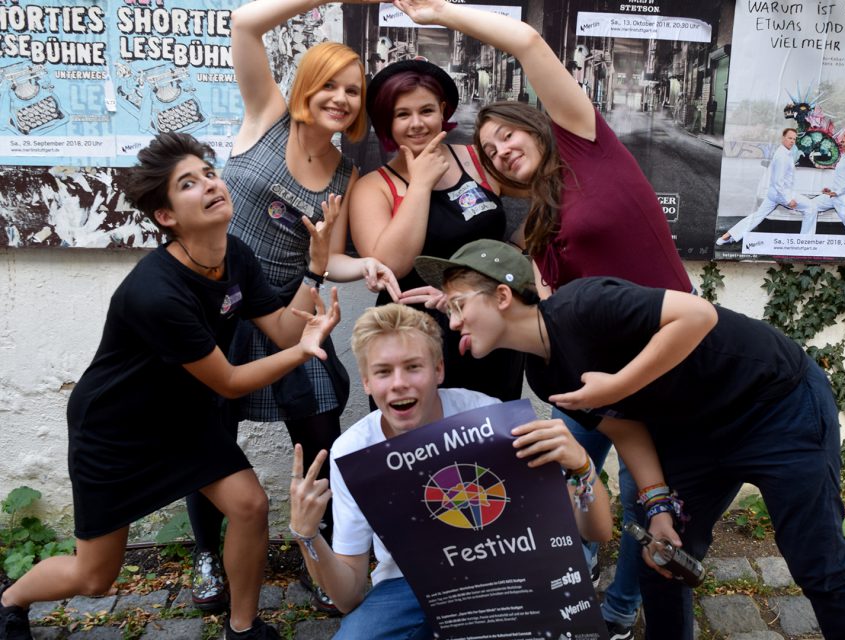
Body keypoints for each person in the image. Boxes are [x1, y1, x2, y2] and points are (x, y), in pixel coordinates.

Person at [390, 3, 693, 635]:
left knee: (646, 496)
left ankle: (620, 608)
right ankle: (564, 584)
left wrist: (439, 10)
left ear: (539, 129)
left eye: (509, 136)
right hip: (595, 379)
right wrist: (455, 302)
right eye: (490, 150)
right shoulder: (536, 228)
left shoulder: (589, 148)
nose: (501, 150)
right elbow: (527, 305)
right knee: (555, 474)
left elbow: (528, 41)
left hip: (666, 357)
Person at [413, 238, 845, 640]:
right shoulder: (543, 374)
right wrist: (658, 506)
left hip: (776, 406)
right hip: (694, 435)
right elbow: (626, 429)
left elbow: (697, 315)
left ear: (501, 296)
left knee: (818, 562)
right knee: (662, 556)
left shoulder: (583, 305)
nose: (453, 322)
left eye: (458, 305)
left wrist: (615, 386)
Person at [0, 132, 342, 640]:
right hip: (115, 429)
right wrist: (303, 351)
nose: (210, 184)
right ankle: (10, 599)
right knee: (95, 577)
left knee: (249, 505)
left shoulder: (235, 255)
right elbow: (230, 382)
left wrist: (314, 268)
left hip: (181, 417)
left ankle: (243, 628)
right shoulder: (156, 291)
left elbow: (284, 331)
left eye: (209, 173)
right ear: (165, 216)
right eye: (188, 183)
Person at [183, 0, 401, 614]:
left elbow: (330, 259)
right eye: (330, 84)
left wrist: (367, 265)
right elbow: (246, 24)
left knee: (320, 432)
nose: (341, 98)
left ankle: (319, 551)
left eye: (353, 91)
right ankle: (206, 552)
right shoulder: (266, 116)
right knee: (211, 437)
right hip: (219, 309)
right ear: (306, 85)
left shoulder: (347, 172)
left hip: (293, 311)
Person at [287, 303, 613, 639]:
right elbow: (348, 597)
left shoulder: (487, 418)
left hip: (506, 572)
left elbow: (598, 531)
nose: (399, 383)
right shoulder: (354, 451)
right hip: (408, 585)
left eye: (413, 367)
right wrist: (307, 536)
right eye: (383, 372)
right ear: (367, 382)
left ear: (439, 370)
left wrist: (582, 465)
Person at [348, 58, 524, 402]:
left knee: (493, 430)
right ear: (386, 122)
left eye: (426, 110)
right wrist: (421, 184)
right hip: (414, 340)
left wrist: (517, 251)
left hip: (490, 330)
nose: (417, 124)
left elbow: (551, 193)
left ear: (443, 111)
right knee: (420, 433)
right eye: (402, 114)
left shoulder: (477, 159)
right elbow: (392, 265)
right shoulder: (374, 187)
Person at [717, 128, 817, 245]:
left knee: (758, 215)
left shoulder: (784, 152)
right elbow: (778, 181)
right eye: (790, 138)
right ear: (783, 138)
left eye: (794, 139)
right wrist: (788, 200)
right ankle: (805, 242)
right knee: (811, 207)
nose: (792, 141)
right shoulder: (782, 156)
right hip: (782, 193)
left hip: (773, 193)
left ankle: (728, 236)